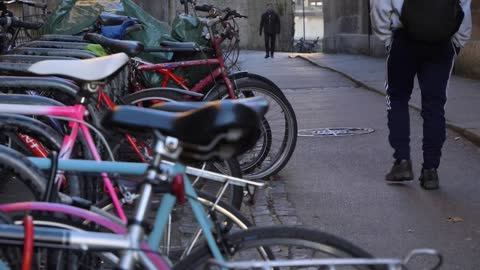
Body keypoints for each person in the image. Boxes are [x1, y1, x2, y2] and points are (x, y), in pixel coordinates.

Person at [370, 0, 472, 190]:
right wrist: (458, 42)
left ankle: (402, 161)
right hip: (442, 42)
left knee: (397, 98)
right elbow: (463, 8)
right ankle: (431, 170)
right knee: (434, 106)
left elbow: (380, 6)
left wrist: (386, 38)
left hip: (404, 39)